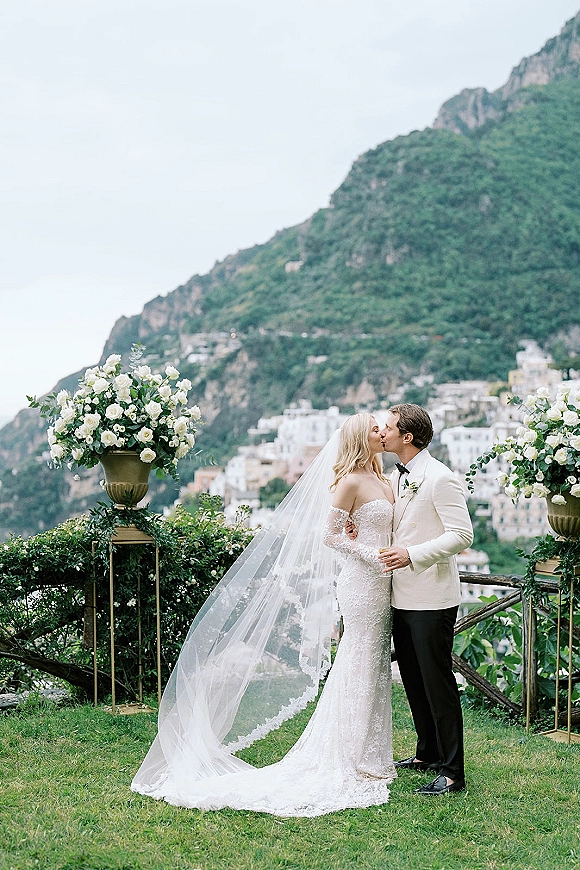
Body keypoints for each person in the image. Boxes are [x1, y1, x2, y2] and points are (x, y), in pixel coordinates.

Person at [131, 413, 397, 816]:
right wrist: (371, 554)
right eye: (375, 429)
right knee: (357, 660)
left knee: (373, 663)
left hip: (384, 582)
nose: (382, 433)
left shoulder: (382, 477)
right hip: (362, 581)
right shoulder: (349, 481)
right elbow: (329, 536)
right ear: (361, 437)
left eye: (383, 428)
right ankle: (346, 754)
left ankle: (370, 753)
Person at [377, 404, 473, 795]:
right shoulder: (396, 477)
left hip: (432, 597)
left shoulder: (440, 479)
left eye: (389, 428)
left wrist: (413, 555)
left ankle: (452, 772)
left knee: (438, 684)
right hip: (401, 595)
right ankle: (426, 752)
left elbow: (462, 535)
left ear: (407, 437)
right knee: (414, 680)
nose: (382, 433)